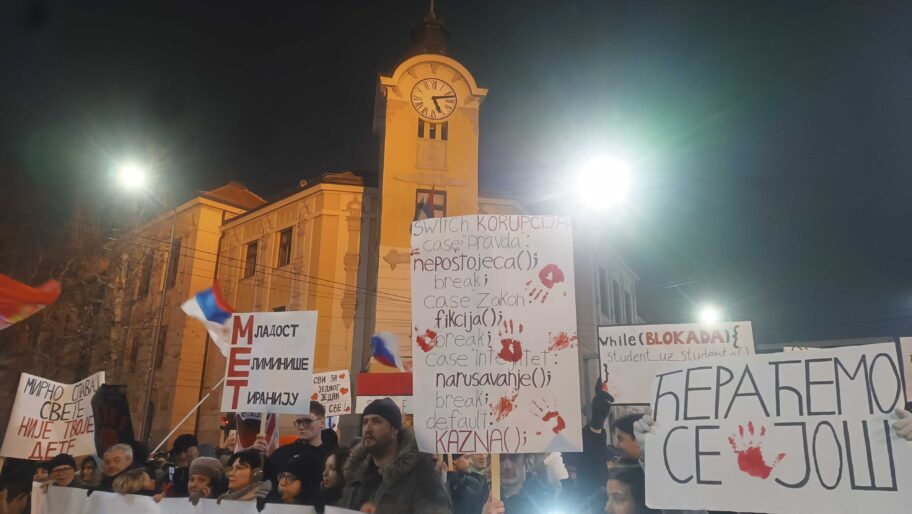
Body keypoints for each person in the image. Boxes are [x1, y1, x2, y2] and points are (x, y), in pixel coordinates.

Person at [341, 398, 451, 513]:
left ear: (395, 429)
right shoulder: (357, 474)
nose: (368, 428)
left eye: (376, 421)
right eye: (365, 422)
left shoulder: (422, 475)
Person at [267, 401, 333, 504]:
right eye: (298, 422)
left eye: (307, 421)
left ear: (322, 422)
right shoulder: (281, 454)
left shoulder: (331, 457)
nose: (301, 426)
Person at [481, 453, 558, 514]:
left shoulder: (545, 498)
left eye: (514, 457)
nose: (507, 466)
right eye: (501, 458)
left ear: (526, 459)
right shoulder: (479, 500)